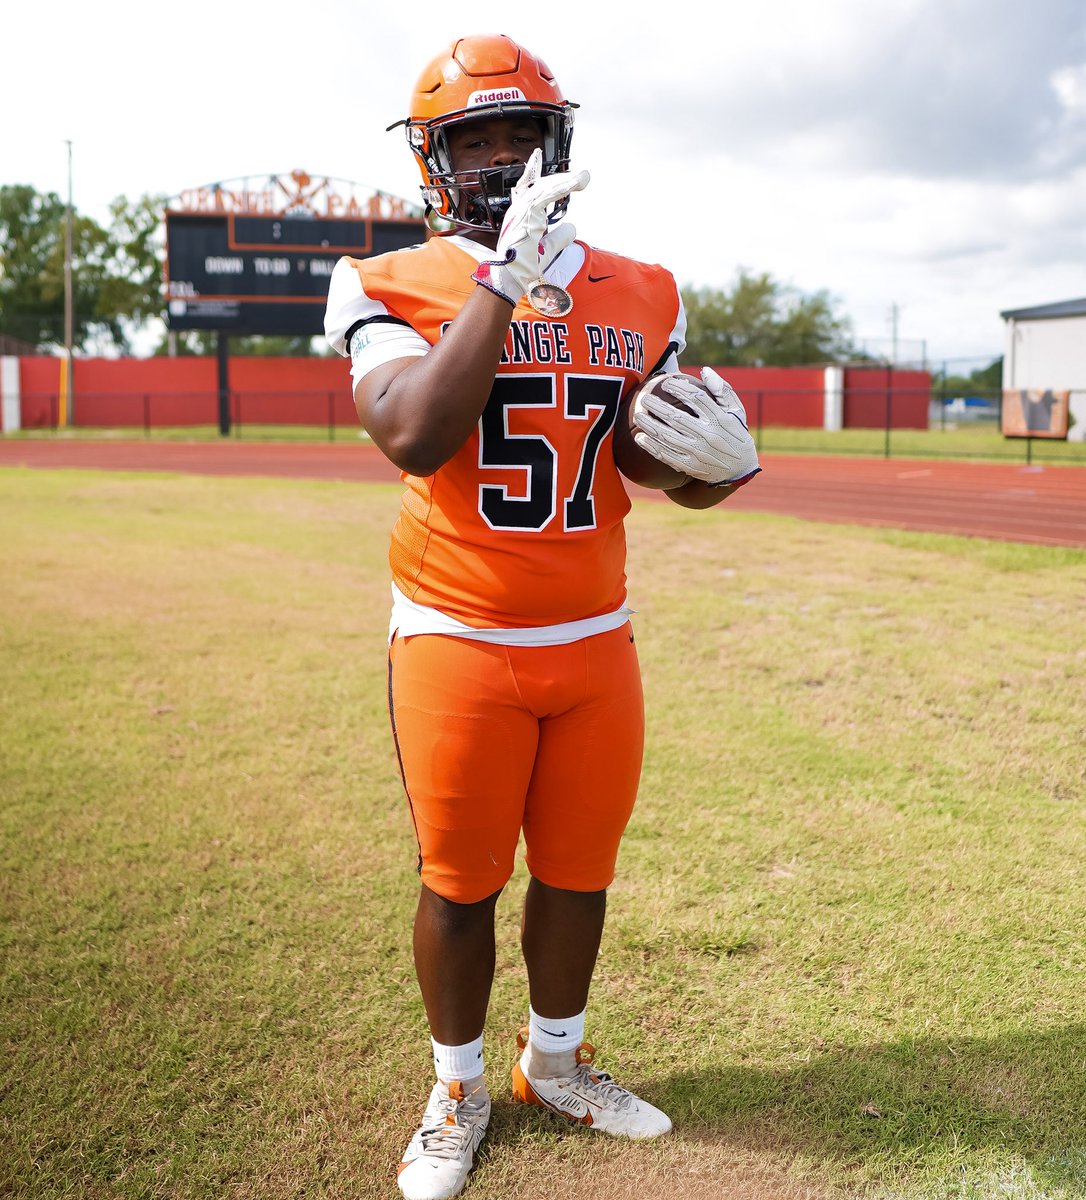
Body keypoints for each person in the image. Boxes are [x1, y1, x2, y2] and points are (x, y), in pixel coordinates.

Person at [323, 33, 760, 1200]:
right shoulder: (386, 280)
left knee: (577, 871)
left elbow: (648, 461)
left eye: (524, 135)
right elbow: (415, 432)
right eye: (479, 140)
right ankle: (456, 1088)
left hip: (593, 641)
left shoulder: (642, 287)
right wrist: (501, 281)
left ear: (559, 146)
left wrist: (720, 469)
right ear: (435, 159)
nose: (504, 159)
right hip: (457, 638)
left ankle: (553, 1066)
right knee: (461, 879)